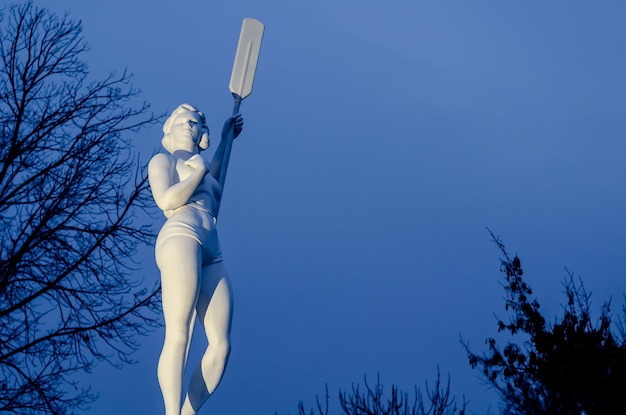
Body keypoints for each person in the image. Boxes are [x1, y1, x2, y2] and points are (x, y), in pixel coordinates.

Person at [148, 103, 243, 415]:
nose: (191, 126)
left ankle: (189, 412)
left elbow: (216, 187)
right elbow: (166, 199)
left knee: (221, 345)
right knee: (179, 330)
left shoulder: (204, 169)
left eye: (197, 123)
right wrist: (197, 172)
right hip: (181, 235)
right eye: (184, 121)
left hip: (212, 250)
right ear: (171, 128)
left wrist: (227, 138)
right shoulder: (163, 160)